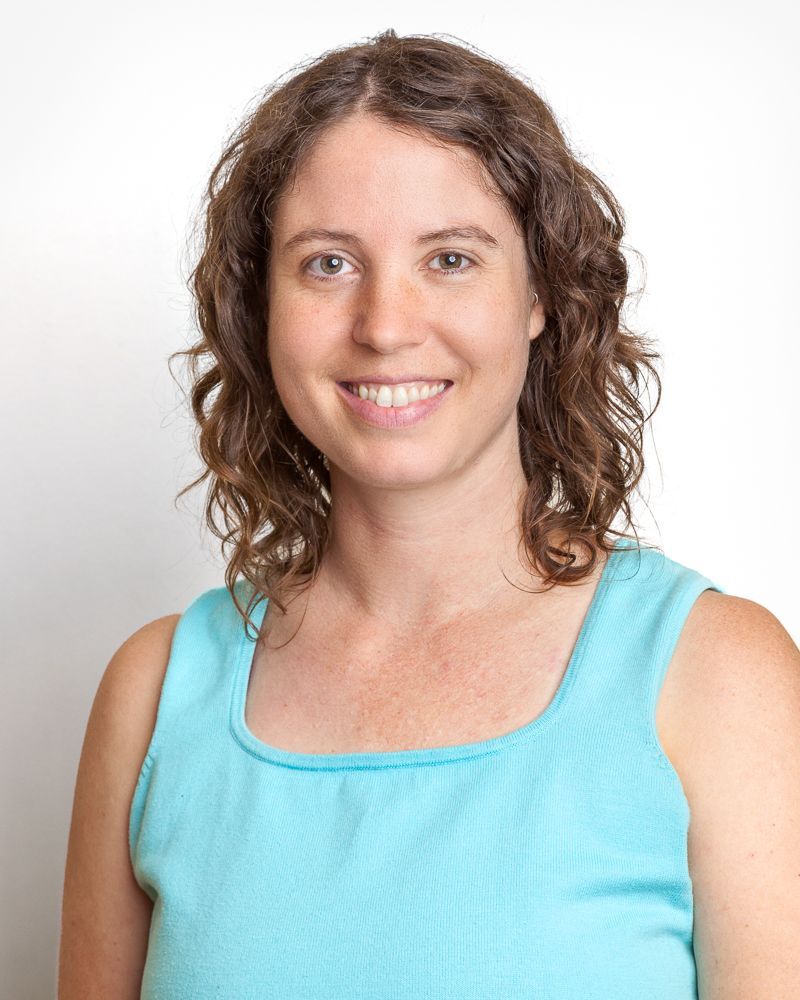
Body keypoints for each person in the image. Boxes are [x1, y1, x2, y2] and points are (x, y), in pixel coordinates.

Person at [58, 28, 800, 1000]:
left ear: (540, 293)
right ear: (258, 306)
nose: (384, 323)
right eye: (327, 264)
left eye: (449, 258)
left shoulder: (718, 678)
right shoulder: (152, 695)